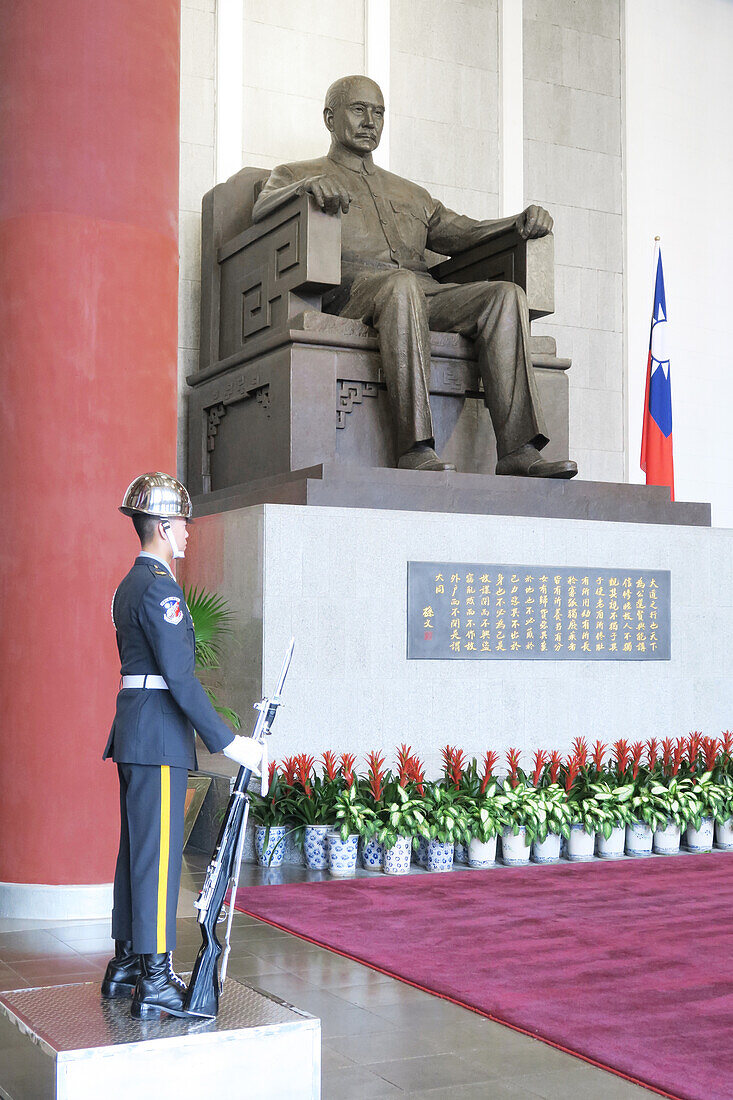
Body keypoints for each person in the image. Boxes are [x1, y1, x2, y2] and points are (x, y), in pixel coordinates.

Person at [253, 75, 577, 479]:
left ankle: (518, 451)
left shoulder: (411, 193)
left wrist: (518, 223)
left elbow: (464, 232)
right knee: (401, 286)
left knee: (506, 295)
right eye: (358, 110)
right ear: (329, 118)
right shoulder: (297, 172)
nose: (371, 121)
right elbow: (262, 207)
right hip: (352, 294)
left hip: (422, 294)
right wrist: (306, 189)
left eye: (379, 112)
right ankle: (415, 446)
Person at [101, 472, 263, 1020]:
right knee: (160, 856)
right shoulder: (162, 588)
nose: (189, 535)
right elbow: (178, 676)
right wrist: (229, 742)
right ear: (164, 528)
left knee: (136, 853)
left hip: (134, 732)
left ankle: (125, 961)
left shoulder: (128, 584)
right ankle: (155, 977)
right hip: (158, 737)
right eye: (184, 526)